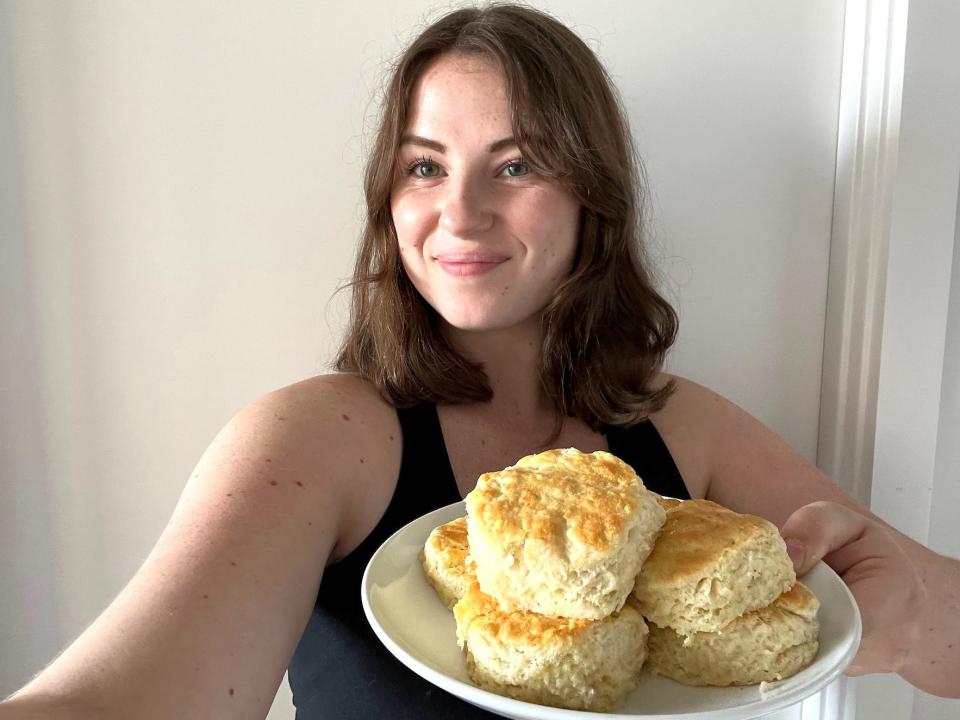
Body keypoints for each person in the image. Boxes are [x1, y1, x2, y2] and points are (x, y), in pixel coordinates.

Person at [2, 3, 958, 719]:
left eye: (517, 164)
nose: (458, 213)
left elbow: (938, 633)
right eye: (424, 166)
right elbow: (129, 692)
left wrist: (894, 601)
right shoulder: (324, 436)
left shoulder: (679, 426)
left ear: (595, 199)